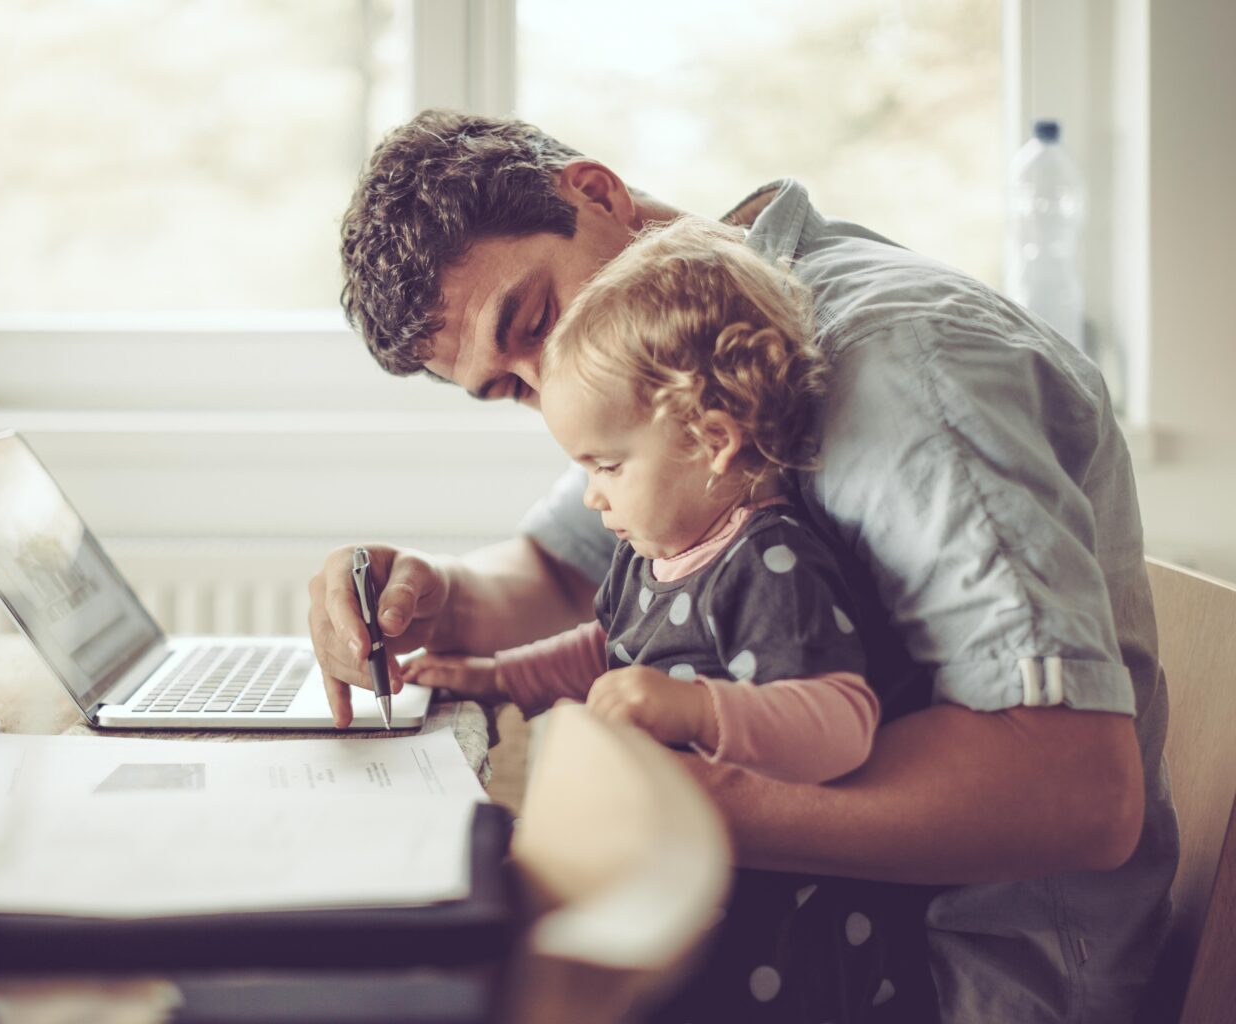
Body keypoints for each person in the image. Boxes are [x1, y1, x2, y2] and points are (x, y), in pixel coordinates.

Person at [311, 110, 1171, 1023]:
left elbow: (1079, 788)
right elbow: (564, 572)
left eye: (536, 321)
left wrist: (679, 802)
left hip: (973, 977)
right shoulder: (673, 341)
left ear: (597, 194)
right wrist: (427, 596)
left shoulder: (900, 366)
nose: (552, 377)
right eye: (513, 388)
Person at [404, 213, 940, 1020]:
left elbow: (841, 721)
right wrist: (496, 679)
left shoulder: (772, 561)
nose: (592, 495)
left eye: (608, 465)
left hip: (792, 943)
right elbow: (607, 650)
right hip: (703, 889)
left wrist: (692, 705)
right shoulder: (649, 552)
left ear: (712, 440)